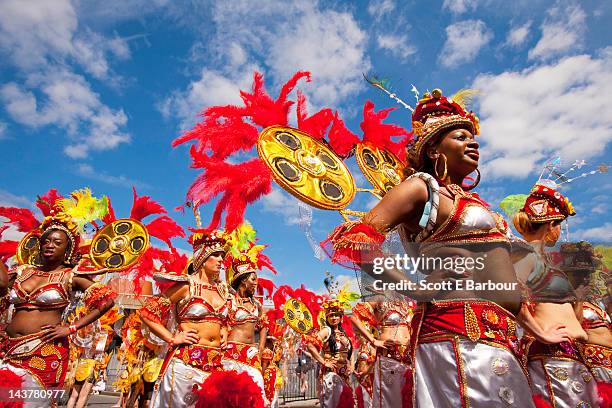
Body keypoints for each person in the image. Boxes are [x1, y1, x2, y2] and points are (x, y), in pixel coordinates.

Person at [324, 89, 568, 407]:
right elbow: (354, 240)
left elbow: (505, 283)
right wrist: (416, 288)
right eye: (461, 136)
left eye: (473, 136)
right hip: (456, 336)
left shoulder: (477, 203)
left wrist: (538, 330)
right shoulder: (421, 188)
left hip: (502, 339)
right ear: (435, 148)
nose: (474, 142)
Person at [0, 190, 116, 407]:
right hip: (7, 349)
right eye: (45, 241)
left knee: (31, 403)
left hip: (44, 352)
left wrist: (70, 328)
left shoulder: (70, 276)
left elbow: (107, 300)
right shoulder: (23, 271)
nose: (49, 245)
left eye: (56, 242)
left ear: (67, 249)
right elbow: (1, 288)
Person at [511, 183, 599, 406]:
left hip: (573, 355)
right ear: (551, 225)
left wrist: (577, 294)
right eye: (560, 225)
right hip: (550, 357)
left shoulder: (549, 265)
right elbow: (511, 292)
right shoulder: (526, 252)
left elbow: (575, 318)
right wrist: (540, 333)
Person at [141, 229, 230, 408]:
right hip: (186, 364)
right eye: (216, 255)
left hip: (216, 365)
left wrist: (224, 330)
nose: (222, 260)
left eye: (223, 256)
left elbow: (226, 320)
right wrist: (172, 338)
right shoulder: (186, 286)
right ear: (203, 258)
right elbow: (147, 312)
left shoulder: (223, 290)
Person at [350, 294, 415, 407]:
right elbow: (355, 317)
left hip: (407, 357)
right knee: (389, 400)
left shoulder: (406, 302)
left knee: (407, 399)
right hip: (389, 357)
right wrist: (373, 340)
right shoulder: (380, 298)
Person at [223, 250, 268, 402]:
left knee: (256, 392)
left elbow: (263, 326)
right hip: (231, 352)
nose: (256, 283)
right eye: (253, 279)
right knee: (232, 397)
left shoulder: (257, 305)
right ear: (243, 280)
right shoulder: (229, 300)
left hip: (251, 353)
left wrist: (260, 349)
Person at [305, 298, 354, 408]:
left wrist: (351, 364)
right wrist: (324, 362)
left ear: (341, 317)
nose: (334, 318)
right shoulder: (326, 330)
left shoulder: (344, 333)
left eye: (336, 315)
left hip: (344, 375)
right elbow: (310, 345)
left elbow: (351, 350)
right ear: (327, 317)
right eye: (331, 315)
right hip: (331, 375)